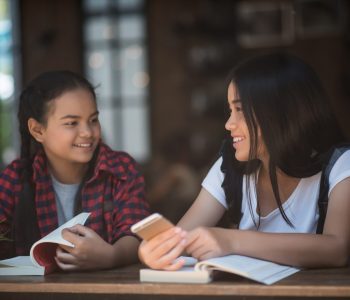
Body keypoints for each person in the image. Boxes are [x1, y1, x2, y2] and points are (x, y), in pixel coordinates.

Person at [138, 53, 350, 271]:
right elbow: (181, 238)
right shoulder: (229, 166)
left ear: (279, 113)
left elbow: (337, 248)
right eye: (230, 110)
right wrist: (154, 252)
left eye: (239, 110)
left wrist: (232, 241)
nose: (229, 124)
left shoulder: (340, 165)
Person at [0, 70, 150, 271]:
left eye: (93, 120)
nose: (87, 132)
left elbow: (137, 233)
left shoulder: (120, 169)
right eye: (72, 123)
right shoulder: (15, 178)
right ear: (37, 130)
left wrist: (112, 256)